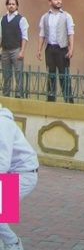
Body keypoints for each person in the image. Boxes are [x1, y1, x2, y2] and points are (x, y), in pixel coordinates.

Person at [0, 101, 38, 250]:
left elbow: (3, 162)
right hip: (11, 173)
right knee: (1, 214)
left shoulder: (2, 124)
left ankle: (13, 244)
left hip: (23, 175)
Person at [36, 0, 74, 103]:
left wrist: (71, 49)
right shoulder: (45, 17)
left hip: (62, 48)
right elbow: (42, 34)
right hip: (50, 48)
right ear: (50, 2)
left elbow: (70, 33)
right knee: (51, 75)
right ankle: (51, 100)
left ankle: (69, 101)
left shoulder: (66, 16)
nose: (58, 1)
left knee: (64, 76)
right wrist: (39, 49)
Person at [1, 0, 28, 99]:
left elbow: (25, 37)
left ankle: (18, 95)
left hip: (16, 49)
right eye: (9, 4)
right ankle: (6, 94)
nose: (11, 5)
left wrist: (22, 51)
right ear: (7, 6)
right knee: (6, 74)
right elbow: (0, 36)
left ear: (17, 6)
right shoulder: (2, 19)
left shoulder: (21, 19)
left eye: (13, 4)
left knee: (18, 74)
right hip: (5, 50)